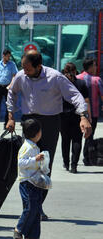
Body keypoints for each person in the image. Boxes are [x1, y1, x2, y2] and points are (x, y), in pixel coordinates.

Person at [6, 50, 92, 220]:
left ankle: (37, 205)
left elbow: (74, 95)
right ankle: (29, 206)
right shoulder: (21, 76)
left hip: (50, 123)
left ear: (39, 66)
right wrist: (10, 116)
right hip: (29, 121)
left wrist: (83, 116)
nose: (24, 71)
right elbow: (12, 92)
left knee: (45, 164)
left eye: (28, 68)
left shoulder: (55, 77)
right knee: (28, 163)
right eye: (23, 67)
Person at [13, 118, 45, 239]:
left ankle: (33, 235)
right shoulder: (26, 147)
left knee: (36, 209)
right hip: (27, 183)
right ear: (37, 133)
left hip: (35, 182)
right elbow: (21, 163)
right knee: (30, 207)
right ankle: (19, 229)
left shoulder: (35, 147)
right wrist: (34, 159)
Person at [60, 63, 90, 173]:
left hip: (63, 116)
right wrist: (88, 117)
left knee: (65, 140)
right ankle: (74, 166)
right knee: (77, 140)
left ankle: (66, 163)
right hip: (78, 116)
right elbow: (86, 101)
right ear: (75, 71)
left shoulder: (61, 84)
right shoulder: (81, 83)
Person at [77, 58, 103, 166]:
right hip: (94, 112)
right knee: (90, 135)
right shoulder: (97, 80)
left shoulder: (77, 78)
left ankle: (73, 159)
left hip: (77, 113)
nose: (96, 67)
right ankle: (87, 157)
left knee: (76, 136)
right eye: (95, 65)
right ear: (91, 67)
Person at [0, 49, 18, 129]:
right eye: (7, 56)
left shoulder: (12, 64)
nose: (9, 58)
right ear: (3, 55)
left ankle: (6, 123)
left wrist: (10, 85)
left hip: (8, 87)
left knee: (7, 106)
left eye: (9, 56)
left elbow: (14, 76)